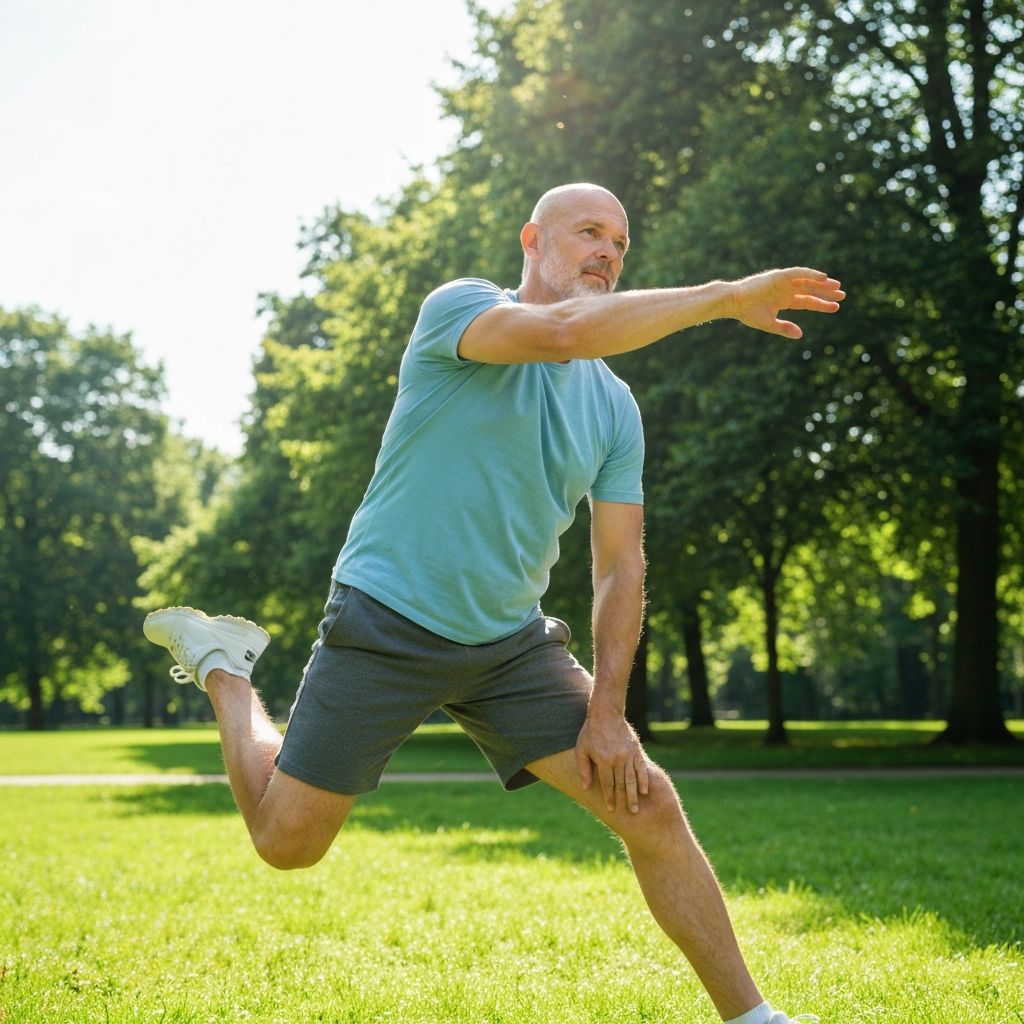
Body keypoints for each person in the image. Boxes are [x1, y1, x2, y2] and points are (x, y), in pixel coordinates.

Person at [144, 182, 842, 1024]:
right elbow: (564, 331)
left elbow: (621, 566)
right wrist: (727, 298)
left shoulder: (615, 408)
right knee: (286, 845)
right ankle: (227, 672)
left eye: (621, 243)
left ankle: (755, 1020)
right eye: (589, 231)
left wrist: (609, 713)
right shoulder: (461, 312)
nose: (609, 251)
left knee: (648, 802)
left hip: (509, 646)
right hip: (388, 617)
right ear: (532, 242)